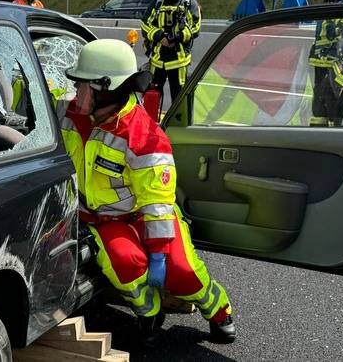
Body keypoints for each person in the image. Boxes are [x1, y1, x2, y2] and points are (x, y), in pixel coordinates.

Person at [61, 39, 234, 343]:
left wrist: (159, 253)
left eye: (81, 84)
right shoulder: (69, 113)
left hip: (148, 215)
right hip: (106, 219)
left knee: (182, 271)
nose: (75, 91)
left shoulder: (143, 135)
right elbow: (37, 98)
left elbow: (156, 201)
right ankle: (150, 313)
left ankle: (219, 311)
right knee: (124, 263)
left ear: (105, 88)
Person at [140, 0, 202, 103]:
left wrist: (177, 36)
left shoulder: (190, 3)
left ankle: (176, 125)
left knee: (179, 99)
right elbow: (145, 25)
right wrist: (159, 36)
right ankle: (152, 124)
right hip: (157, 61)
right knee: (151, 97)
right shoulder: (157, 3)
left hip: (179, 62)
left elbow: (195, 28)